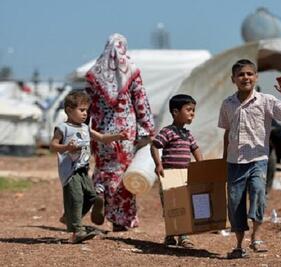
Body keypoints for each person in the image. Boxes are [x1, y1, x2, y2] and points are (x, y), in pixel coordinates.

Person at [218, 59, 281, 259]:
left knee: (259, 195)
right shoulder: (228, 104)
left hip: (258, 159)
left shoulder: (266, 101)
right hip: (235, 162)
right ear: (233, 79)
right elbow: (227, 132)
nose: (246, 77)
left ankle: (256, 237)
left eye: (249, 74)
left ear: (256, 77)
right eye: (241, 75)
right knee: (235, 203)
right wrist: (224, 157)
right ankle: (238, 245)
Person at [86, 33, 155, 232]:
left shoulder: (94, 73)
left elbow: (86, 104)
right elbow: (141, 101)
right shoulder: (131, 71)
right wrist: (148, 128)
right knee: (123, 172)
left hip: (100, 128)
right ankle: (121, 219)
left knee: (103, 167)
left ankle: (98, 191)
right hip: (125, 129)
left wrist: (83, 128)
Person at [50, 89, 128, 244]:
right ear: (69, 110)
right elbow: (53, 146)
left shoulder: (85, 128)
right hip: (70, 172)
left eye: (87, 110)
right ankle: (76, 232)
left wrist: (118, 136)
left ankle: (69, 217)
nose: (85, 114)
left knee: (92, 196)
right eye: (82, 110)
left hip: (84, 171)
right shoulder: (63, 128)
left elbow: (102, 138)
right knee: (76, 199)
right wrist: (67, 147)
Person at [150, 94, 203, 248]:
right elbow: (154, 145)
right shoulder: (168, 131)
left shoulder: (187, 134)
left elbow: (196, 149)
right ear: (175, 112)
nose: (192, 113)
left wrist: (202, 165)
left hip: (185, 175)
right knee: (170, 206)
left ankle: (184, 236)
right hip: (169, 174)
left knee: (184, 204)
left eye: (193, 110)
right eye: (188, 109)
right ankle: (170, 234)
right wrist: (158, 164)